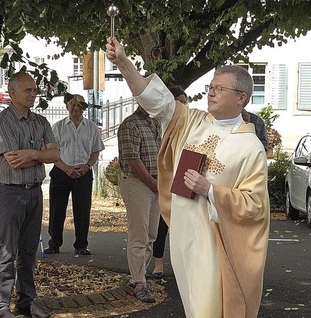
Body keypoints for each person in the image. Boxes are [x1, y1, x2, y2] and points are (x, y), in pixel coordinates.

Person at [107, 37, 269, 318]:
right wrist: (124, 63)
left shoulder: (250, 147)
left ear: (241, 97)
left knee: (208, 310)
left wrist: (210, 190)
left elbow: (255, 205)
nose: (211, 93)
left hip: (214, 244)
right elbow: (155, 99)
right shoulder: (191, 122)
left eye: (219, 88)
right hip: (184, 239)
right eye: (210, 87)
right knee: (194, 309)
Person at [0, 72, 59, 318]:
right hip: (9, 193)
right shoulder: (1, 122)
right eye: (28, 90)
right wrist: (39, 153)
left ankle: (26, 302)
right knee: (7, 250)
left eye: (34, 89)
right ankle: (1, 305)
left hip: (34, 193)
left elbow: (55, 155)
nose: (33, 94)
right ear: (13, 93)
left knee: (28, 252)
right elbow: (13, 161)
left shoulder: (40, 122)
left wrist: (31, 154)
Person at [45, 94, 103, 256]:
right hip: (61, 172)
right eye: (73, 106)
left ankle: (81, 245)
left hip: (83, 173)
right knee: (57, 210)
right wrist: (66, 168)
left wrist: (87, 166)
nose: (76, 110)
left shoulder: (91, 127)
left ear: (83, 109)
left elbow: (95, 151)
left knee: (82, 210)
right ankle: (54, 244)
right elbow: (52, 153)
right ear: (67, 107)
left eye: (79, 107)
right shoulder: (58, 127)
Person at [117, 104, 161, 303]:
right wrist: (153, 183)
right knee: (139, 235)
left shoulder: (157, 122)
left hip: (156, 184)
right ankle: (139, 282)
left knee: (151, 235)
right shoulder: (130, 124)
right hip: (138, 184)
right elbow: (133, 161)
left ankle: (139, 277)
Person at [151, 85, 187, 278]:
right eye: (178, 102)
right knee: (161, 227)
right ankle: (158, 263)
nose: (182, 106)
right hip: (162, 183)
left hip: (183, 183)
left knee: (184, 227)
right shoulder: (158, 124)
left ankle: (185, 265)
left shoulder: (190, 127)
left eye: (184, 102)